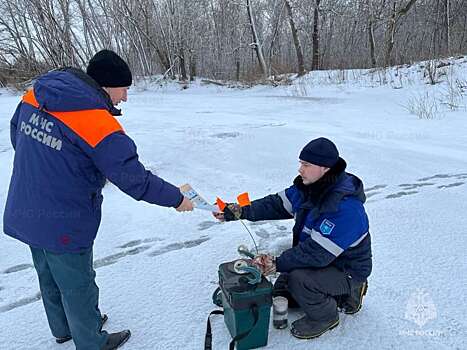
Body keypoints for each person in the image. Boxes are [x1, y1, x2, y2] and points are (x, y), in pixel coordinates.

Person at [3, 49, 193, 350]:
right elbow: (134, 180)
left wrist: (50, 165)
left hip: (26, 205)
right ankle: (91, 341)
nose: (126, 97)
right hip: (63, 218)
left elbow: (17, 136)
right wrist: (176, 199)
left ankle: (64, 328)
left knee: (49, 274)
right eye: (124, 89)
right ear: (106, 86)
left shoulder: (35, 96)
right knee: (77, 283)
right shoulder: (97, 123)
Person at [213, 137, 372, 339]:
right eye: (300, 164)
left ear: (325, 168)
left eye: (306, 165)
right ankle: (329, 292)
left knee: (300, 280)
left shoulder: (345, 209)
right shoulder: (308, 188)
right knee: (282, 289)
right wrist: (240, 211)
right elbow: (275, 204)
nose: (300, 169)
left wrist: (275, 263)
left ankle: (329, 314)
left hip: (346, 269)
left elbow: (316, 255)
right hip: (324, 260)